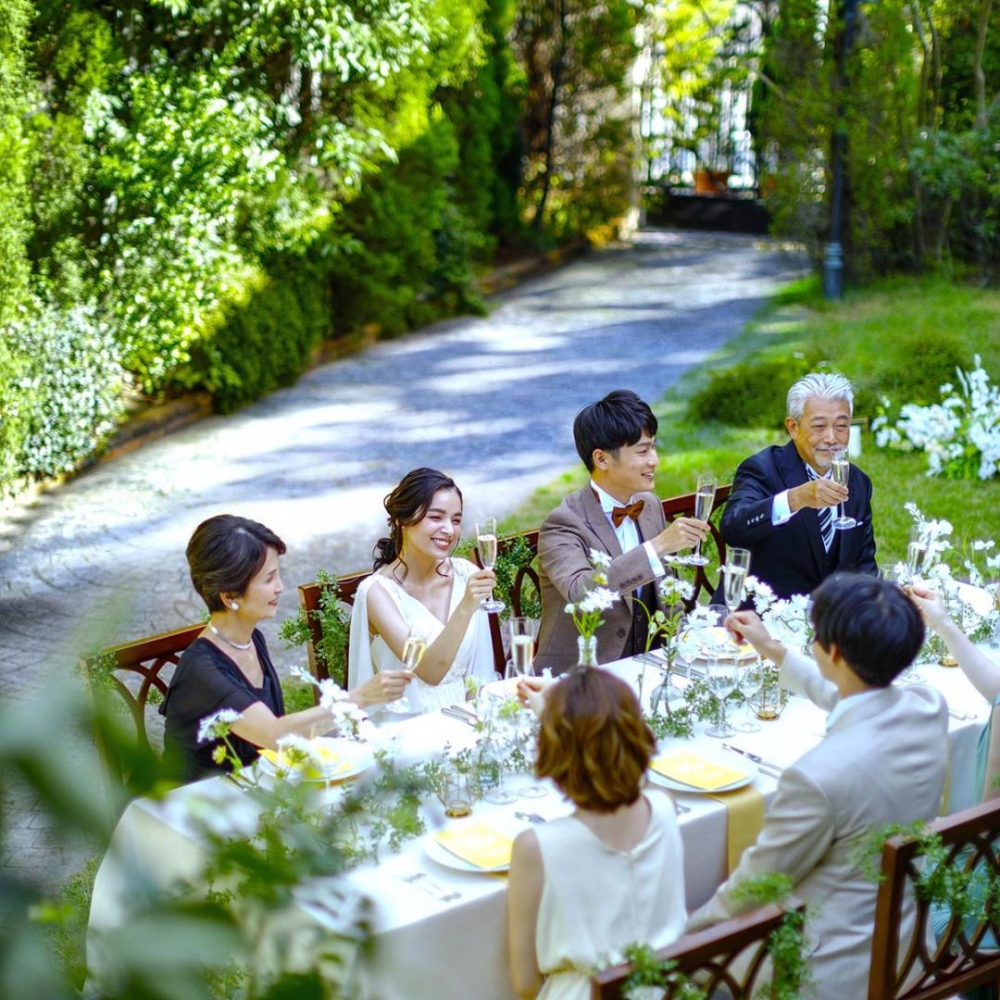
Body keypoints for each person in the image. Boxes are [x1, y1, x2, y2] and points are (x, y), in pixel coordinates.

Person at [686, 573, 948, 1000]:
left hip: (828, 972)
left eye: (815, 636)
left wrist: (683, 933)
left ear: (835, 653)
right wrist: (773, 649)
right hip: (907, 945)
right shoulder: (928, 708)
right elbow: (853, 698)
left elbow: (757, 885)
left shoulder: (817, 777)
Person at [161, 514, 402, 781]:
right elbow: (275, 736)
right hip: (199, 800)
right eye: (269, 579)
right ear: (229, 596)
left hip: (257, 784)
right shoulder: (202, 671)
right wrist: (360, 698)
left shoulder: (251, 639)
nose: (280, 587)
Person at [507, 669, 686, 1000]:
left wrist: (560, 722)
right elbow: (637, 780)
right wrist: (568, 714)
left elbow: (526, 983)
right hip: (669, 990)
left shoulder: (536, 848)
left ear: (551, 752)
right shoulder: (665, 807)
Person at [536, 390, 710, 673]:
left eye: (653, 447)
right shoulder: (563, 522)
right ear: (602, 459)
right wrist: (657, 547)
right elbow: (582, 593)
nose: (654, 460)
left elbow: (666, 596)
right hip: (580, 677)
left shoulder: (649, 505)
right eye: (642, 451)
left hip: (649, 666)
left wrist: (690, 646)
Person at [347, 468, 497, 714]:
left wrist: (480, 723)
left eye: (456, 520)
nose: (449, 530)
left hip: (466, 714)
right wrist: (465, 607)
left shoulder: (465, 574)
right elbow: (430, 671)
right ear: (401, 520)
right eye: (436, 517)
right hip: (408, 722)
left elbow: (479, 674)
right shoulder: (377, 593)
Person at [717, 372, 877, 601]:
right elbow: (733, 528)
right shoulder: (762, 469)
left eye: (842, 426)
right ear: (793, 428)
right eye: (819, 427)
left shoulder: (858, 482)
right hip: (763, 613)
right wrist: (794, 499)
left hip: (829, 617)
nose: (832, 438)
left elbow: (864, 565)